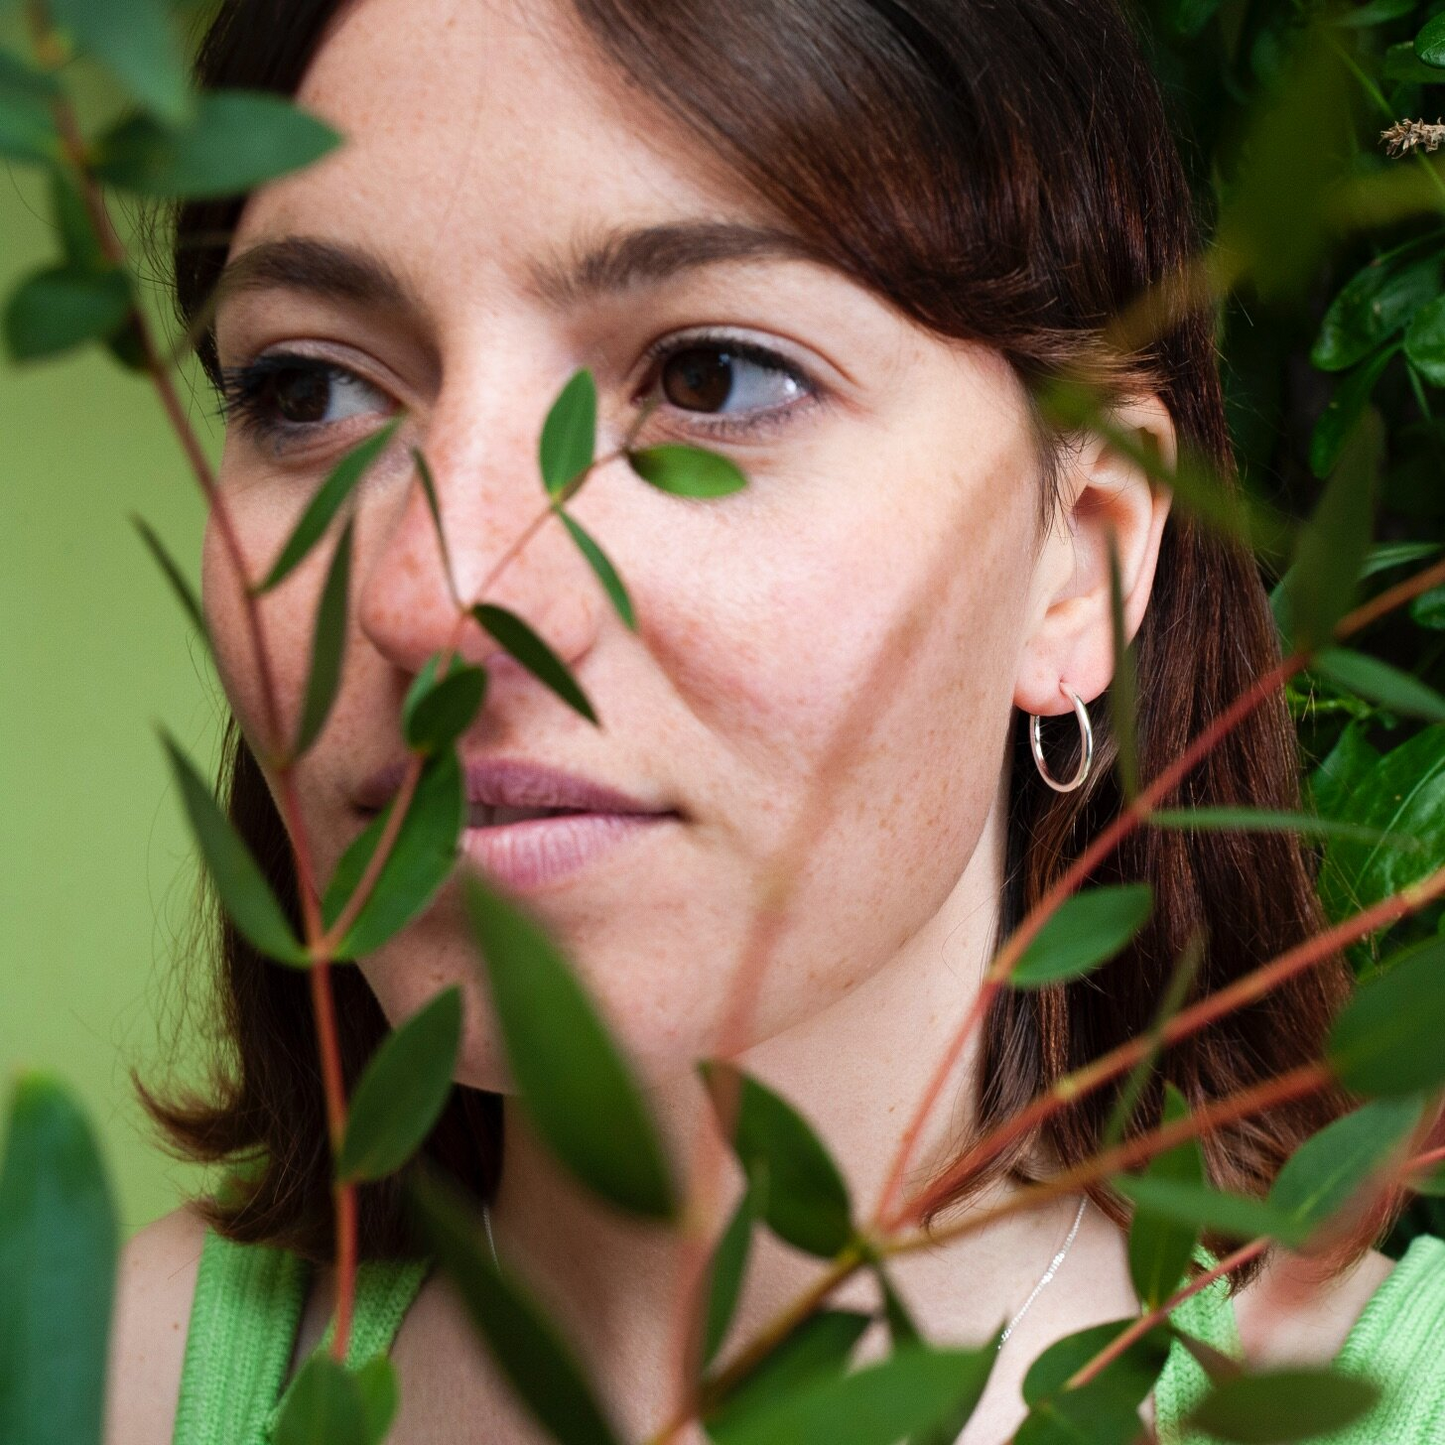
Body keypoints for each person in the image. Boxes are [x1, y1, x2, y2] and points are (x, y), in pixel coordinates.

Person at [104, 1, 1445, 1442]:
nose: (434, 605)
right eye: (306, 388)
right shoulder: (108, 1371)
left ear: (1081, 560)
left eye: (710, 377)